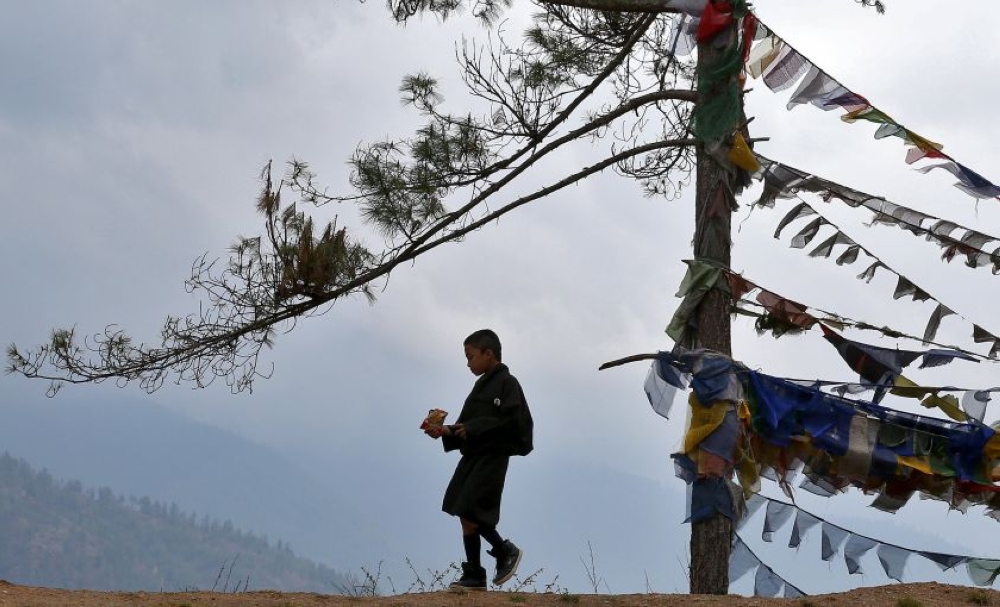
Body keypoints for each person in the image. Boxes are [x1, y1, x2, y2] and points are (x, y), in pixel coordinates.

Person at [425, 329, 534, 591]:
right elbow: (467, 425)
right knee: (463, 508)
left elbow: (513, 422)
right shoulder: (481, 386)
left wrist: (474, 428)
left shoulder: (508, 384)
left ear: (489, 353)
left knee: (472, 507)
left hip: (493, 456)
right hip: (474, 455)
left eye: (471, 356)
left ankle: (503, 549)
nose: (468, 363)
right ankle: (474, 574)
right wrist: (445, 430)